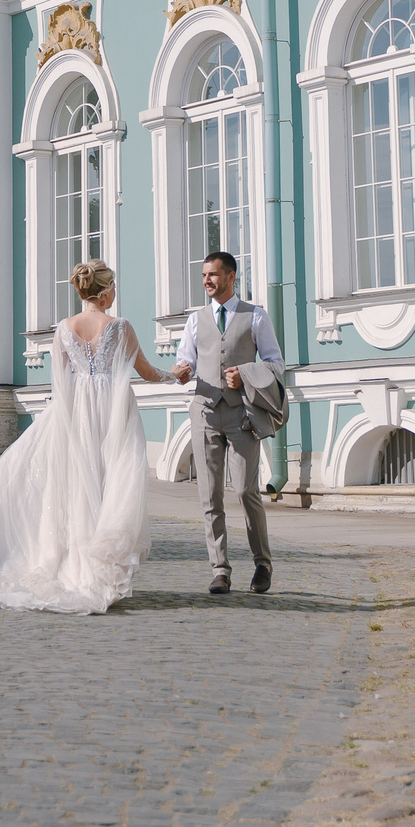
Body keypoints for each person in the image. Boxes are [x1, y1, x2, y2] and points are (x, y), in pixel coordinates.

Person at [0, 259, 169, 613]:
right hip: (112, 415)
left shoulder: (64, 329)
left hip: (74, 416)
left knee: (75, 491)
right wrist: (177, 375)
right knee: (108, 487)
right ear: (107, 291)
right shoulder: (120, 326)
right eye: (114, 288)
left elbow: (60, 383)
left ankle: (77, 567)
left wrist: (62, 424)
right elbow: (146, 371)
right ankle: (95, 575)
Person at [172, 250, 283, 595]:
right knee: (210, 496)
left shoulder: (255, 317)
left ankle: (262, 564)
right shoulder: (196, 320)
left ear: (231, 277)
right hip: (204, 413)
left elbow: (276, 365)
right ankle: (220, 569)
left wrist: (246, 375)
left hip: (241, 416)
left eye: (213, 275)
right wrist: (181, 372)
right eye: (204, 275)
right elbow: (184, 360)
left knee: (246, 491)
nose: (207, 281)